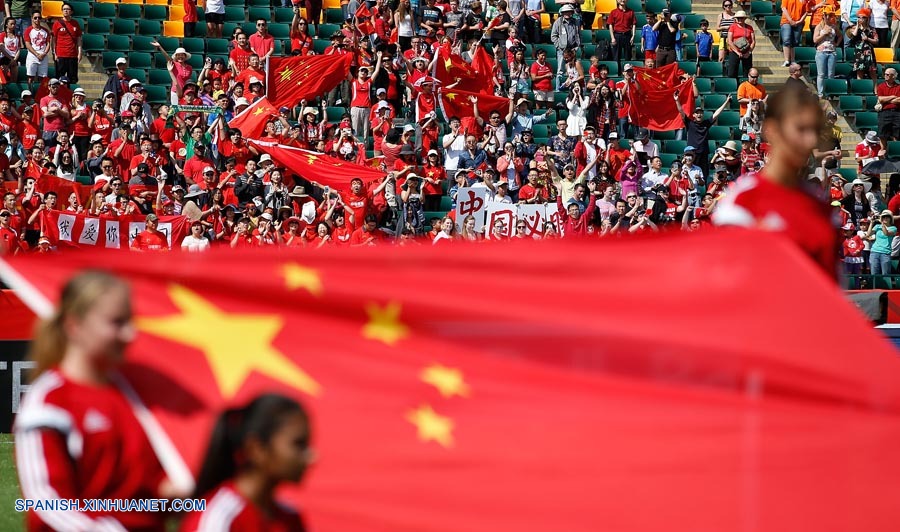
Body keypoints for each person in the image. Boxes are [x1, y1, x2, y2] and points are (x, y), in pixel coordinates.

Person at [15, 271, 172, 531]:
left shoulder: (135, 393)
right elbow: (46, 504)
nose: (130, 334)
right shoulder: (49, 401)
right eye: (117, 323)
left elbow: (151, 489)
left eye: (130, 321)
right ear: (74, 326)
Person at [714, 84, 838, 278]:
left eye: (814, 130)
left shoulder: (821, 209)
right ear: (772, 130)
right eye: (801, 129)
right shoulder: (743, 201)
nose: (811, 140)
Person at [181, 394, 312, 531]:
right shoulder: (218, 520)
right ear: (257, 449)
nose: (312, 456)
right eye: (299, 444)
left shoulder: (291, 518)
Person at [50, 2, 82, 83]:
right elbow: (53, 40)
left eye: (68, 9)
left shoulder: (75, 23)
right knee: (59, 79)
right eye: (64, 9)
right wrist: (54, 53)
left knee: (72, 79)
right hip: (61, 55)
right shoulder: (57, 23)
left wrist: (79, 53)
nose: (66, 11)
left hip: (72, 55)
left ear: (71, 12)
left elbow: (79, 39)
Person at [549, 5, 580, 86]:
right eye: (565, 12)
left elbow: (579, 35)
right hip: (562, 50)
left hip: (572, 49)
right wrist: (558, 46)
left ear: (572, 12)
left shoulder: (576, 22)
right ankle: (558, 88)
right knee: (560, 70)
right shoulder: (558, 22)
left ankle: (571, 87)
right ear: (562, 13)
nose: (567, 13)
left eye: (569, 11)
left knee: (573, 70)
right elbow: (553, 36)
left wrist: (576, 47)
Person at [814, 8, 841, 97]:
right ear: (824, 16)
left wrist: (836, 43)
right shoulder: (819, 26)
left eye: (831, 15)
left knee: (831, 74)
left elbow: (840, 36)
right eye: (828, 15)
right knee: (821, 74)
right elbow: (815, 40)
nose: (830, 17)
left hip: (832, 52)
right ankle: (820, 93)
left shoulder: (834, 26)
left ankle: (830, 93)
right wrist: (824, 34)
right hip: (821, 52)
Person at [866, 209, 897, 287]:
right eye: (884, 217)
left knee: (885, 274)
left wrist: (882, 224)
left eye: (887, 217)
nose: (885, 218)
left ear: (890, 219)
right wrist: (872, 222)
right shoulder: (877, 226)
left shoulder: (893, 228)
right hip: (874, 252)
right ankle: (874, 291)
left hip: (885, 253)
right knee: (874, 274)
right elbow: (868, 234)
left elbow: (886, 233)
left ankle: (886, 291)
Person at [725, 11, 755, 80]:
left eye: (741, 18)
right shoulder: (732, 27)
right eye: (738, 18)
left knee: (747, 72)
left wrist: (749, 52)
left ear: (744, 19)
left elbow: (753, 41)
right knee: (732, 72)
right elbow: (729, 41)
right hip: (734, 51)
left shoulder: (749, 27)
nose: (739, 19)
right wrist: (737, 52)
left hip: (747, 51)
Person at [876, 68, 900, 150]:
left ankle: (895, 152)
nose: (885, 76)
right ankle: (883, 153)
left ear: (893, 76)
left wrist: (887, 99)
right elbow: (881, 99)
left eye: (887, 74)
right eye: (885, 74)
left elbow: (899, 100)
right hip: (884, 112)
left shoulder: (899, 87)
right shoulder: (881, 86)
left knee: (897, 134)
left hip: (897, 112)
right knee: (883, 134)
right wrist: (893, 97)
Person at [607, 0, 636, 66]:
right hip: (617, 35)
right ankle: (618, 72)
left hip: (627, 35)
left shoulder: (631, 12)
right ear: (617, 1)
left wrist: (633, 35)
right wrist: (612, 38)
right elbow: (610, 25)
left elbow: (634, 24)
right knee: (616, 56)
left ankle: (627, 73)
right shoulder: (613, 12)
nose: (623, 0)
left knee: (628, 56)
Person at [781, 0, 808, 67]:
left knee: (795, 42)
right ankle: (787, 60)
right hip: (786, 21)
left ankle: (793, 60)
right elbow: (784, 8)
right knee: (786, 39)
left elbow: (806, 11)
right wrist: (790, 20)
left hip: (799, 22)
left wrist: (800, 21)